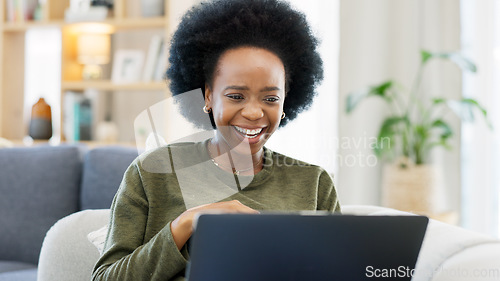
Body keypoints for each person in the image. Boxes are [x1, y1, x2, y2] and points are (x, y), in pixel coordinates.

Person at [92, 0, 341, 280]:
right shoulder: (152, 173)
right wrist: (187, 223)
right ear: (208, 95)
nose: (254, 112)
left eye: (270, 98)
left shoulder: (314, 184)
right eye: (236, 96)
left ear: (285, 103)